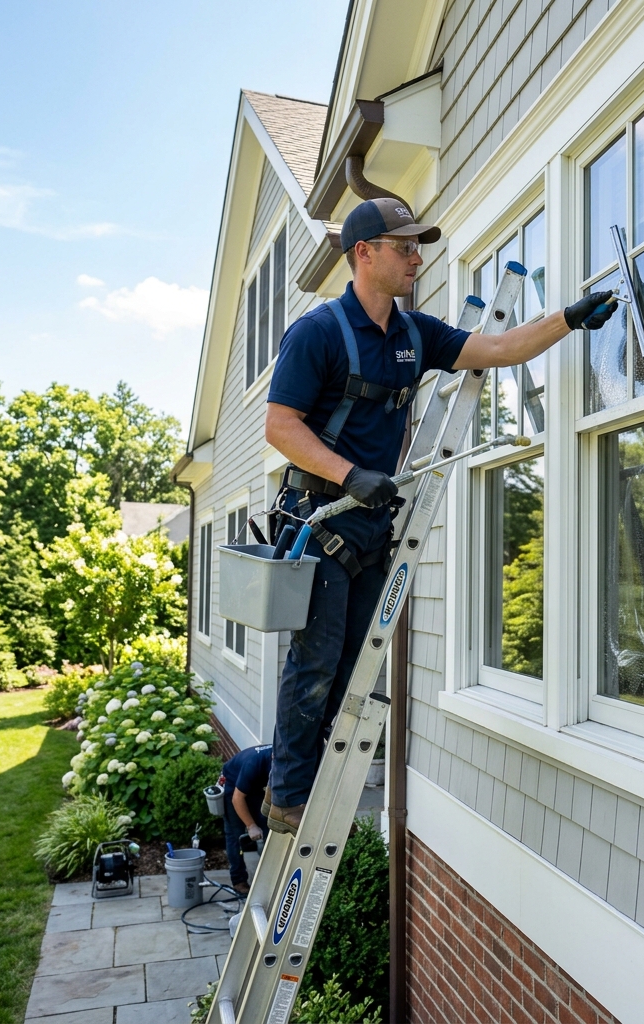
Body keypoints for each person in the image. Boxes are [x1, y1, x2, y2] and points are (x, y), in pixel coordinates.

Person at [263, 197, 617, 834]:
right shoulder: (318, 333)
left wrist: (568, 318)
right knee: (315, 662)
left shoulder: (413, 335)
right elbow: (280, 426)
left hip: (372, 523)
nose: (416, 258)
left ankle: (319, 774)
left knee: (351, 666)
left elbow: (502, 347)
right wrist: (349, 473)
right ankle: (288, 794)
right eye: (403, 247)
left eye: (417, 246)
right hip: (320, 519)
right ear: (362, 254)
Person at [220, 743, 271, 894]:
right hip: (233, 786)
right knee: (235, 835)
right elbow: (238, 799)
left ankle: (270, 876)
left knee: (269, 826)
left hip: (256, 787)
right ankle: (239, 880)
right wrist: (251, 825)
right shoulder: (253, 763)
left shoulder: (285, 759)